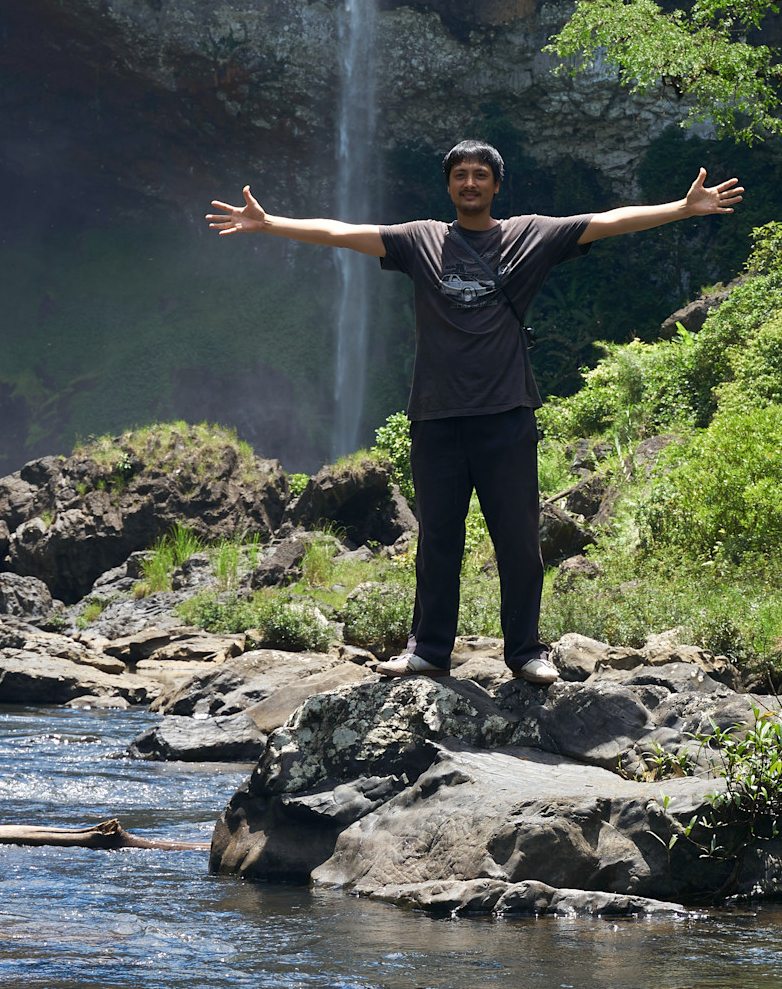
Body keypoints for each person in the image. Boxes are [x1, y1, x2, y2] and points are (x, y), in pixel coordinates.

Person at [208, 140, 743, 684]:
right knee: (439, 539)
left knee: (517, 539)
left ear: (495, 185)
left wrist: (681, 208)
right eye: (460, 175)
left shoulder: (529, 234)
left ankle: (526, 653)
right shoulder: (422, 239)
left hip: (506, 415)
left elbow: (605, 221)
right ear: (448, 186)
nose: (469, 183)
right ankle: (430, 651)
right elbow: (343, 233)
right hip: (436, 417)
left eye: (480, 175)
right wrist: (270, 222)